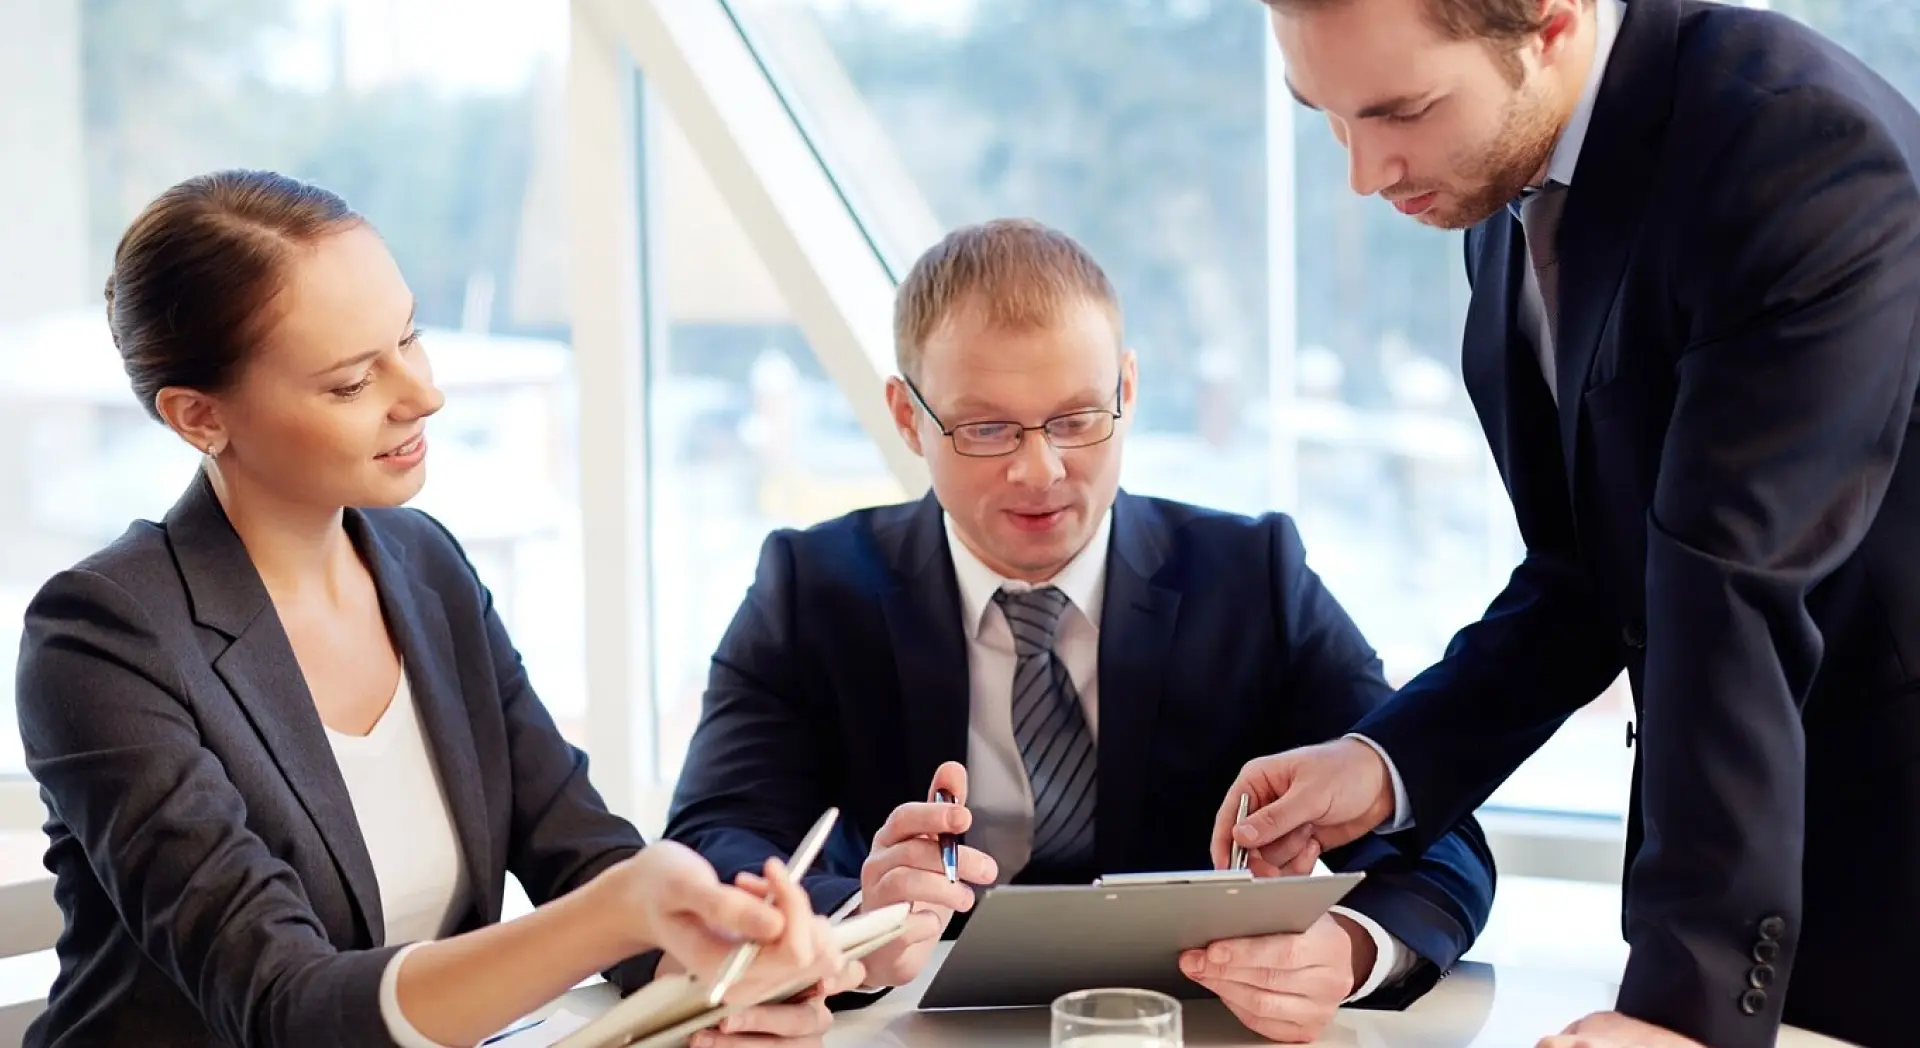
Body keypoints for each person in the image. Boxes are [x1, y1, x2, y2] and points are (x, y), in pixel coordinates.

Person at [1214, 0, 1920, 1047]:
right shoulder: (1503, 190)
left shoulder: (1795, 148)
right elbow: (1589, 573)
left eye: (1400, 111)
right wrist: (1387, 764)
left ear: (1549, 24)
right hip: (1760, 869)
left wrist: (1687, 1012)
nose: (1365, 174)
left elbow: (1726, 582)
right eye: (1329, 120)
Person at [13, 169, 860, 1048]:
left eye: (408, 336)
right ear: (198, 417)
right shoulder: (103, 637)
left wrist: (754, 959)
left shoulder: (427, 568)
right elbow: (280, 1006)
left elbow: (583, 856)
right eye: (350, 383)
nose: (422, 395)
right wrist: (619, 915)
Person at [662, 218, 1496, 1044]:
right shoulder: (812, 589)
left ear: (1127, 392)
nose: (1041, 470)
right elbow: (709, 847)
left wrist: (1348, 951)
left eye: (1076, 419)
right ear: (907, 417)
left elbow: (1438, 833)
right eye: (986, 428)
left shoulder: (1251, 579)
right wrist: (852, 924)